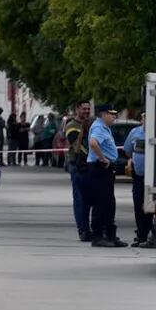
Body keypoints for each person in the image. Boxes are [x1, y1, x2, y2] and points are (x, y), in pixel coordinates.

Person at [87, 103, 126, 247]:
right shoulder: (98, 127)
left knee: (109, 203)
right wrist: (103, 158)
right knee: (100, 202)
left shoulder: (105, 128)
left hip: (105, 169)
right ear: (103, 114)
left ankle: (110, 235)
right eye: (112, 114)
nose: (114, 116)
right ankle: (98, 236)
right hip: (99, 168)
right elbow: (93, 143)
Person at [123, 112, 154, 248]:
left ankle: (154, 235)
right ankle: (141, 235)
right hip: (139, 175)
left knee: (153, 207)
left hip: (155, 179)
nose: (147, 120)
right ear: (142, 119)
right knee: (139, 206)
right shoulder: (135, 132)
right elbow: (127, 150)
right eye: (145, 117)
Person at [65, 100, 93, 242]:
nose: (87, 111)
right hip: (77, 165)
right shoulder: (72, 126)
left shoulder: (90, 124)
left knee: (89, 200)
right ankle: (82, 229)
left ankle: (89, 229)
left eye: (88, 109)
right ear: (77, 109)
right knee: (80, 200)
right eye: (84, 109)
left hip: (89, 166)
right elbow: (77, 145)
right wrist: (93, 152)